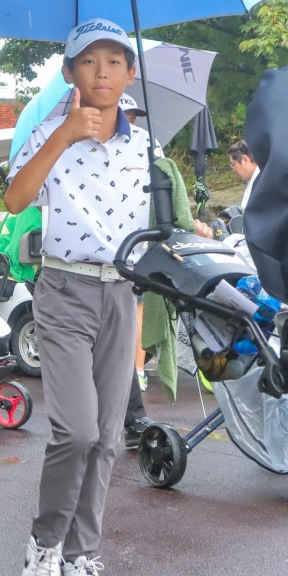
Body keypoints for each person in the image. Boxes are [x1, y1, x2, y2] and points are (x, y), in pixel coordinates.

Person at [6, 18, 146, 576]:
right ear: (70, 73)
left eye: (115, 61)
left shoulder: (147, 141)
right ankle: (44, 547)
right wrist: (63, 134)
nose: (103, 73)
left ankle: (82, 557)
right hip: (62, 289)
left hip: (122, 293)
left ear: (130, 73)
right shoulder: (47, 131)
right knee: (78, 431)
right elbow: (14, 200)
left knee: (110, 436)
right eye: (90, 62)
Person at [117, 96, 210, 449]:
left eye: (134, 117)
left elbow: (166, 209)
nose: (131, 123)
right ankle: (124, 414)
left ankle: (133, 416)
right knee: (115, 349)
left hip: (138, 263)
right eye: (125, 117)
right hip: (99, 266)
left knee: (124, 344)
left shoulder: (148, 152)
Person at [229, 138, 260, 210]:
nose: (233, 171)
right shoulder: (257, 179)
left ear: (244, 159)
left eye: (233, 164)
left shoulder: (262, 184)